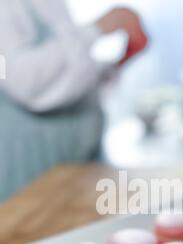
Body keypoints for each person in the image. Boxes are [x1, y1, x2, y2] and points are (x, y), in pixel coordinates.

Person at [0, 0, 147, 201]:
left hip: (78, 158)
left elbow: (66, 77)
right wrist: (97, 29)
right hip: (31, 168)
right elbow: (22, 80)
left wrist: (116, 64)